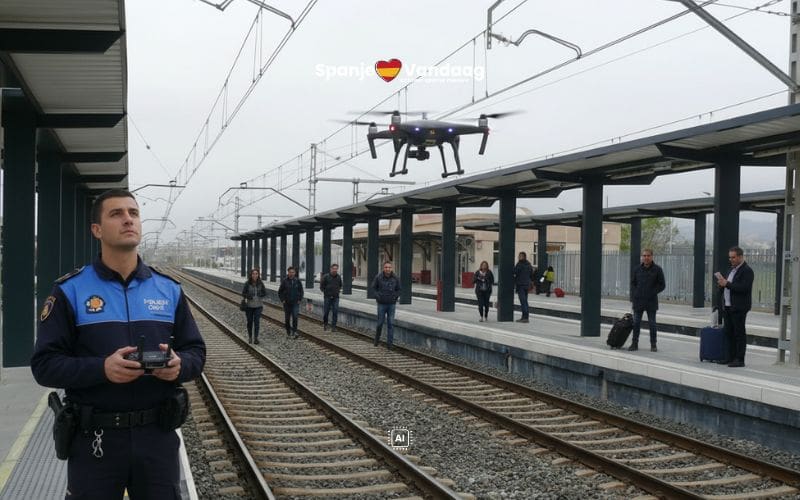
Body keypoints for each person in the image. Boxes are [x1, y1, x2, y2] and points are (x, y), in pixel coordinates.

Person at [30, 189, 206, 499]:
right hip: (94, 441)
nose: (128, 219)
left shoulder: (169, 290)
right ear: (96, 230)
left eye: (133, 213)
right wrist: (102, 368)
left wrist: (180, 366)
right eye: (116, 214)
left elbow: (196, 352)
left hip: (158, 437)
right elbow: (44, 366)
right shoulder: (69, 291)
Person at [715, 246, 754, 367]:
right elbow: (728, 286)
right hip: (728, 306)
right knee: (729, 332)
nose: (731, 259)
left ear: (740, 257)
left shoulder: (747, 271)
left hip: (739, 307)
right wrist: (721, 284)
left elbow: (744, 288)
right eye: (730, 257)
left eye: (733, 257)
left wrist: (727, 283)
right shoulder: (731, 270)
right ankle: (729, 357)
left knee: (739, 333)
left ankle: (739, 359)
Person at [629, 248, 666, 352]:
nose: (646, 258)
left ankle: (653, 344)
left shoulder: (658, 270)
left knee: (652, 323)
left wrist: (653, 292)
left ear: (652, 256)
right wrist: (636, 293)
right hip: (638, 301)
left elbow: (662, 285)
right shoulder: (637, 269)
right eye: (644, 256)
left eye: (648, 256)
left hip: (651, 301)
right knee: (636, 323)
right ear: (642, 257)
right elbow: (633, 283)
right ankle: (634, 343)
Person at [372, 261, 401, 349]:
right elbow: (373, 287)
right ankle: (377, 339)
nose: (387, 269)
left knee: (391, 324)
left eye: (389, 267)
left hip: (391, 304)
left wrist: (395, 297)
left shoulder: (396, 278)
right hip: (381, 304)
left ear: (391, 268)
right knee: (380, 323)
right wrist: (378, 297)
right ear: (383, 268)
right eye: (386, 267)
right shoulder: (378, 277)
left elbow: (399, 289)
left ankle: (390, 344)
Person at [242, 268, 267, 344]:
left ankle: (256, 338)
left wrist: (261, 294)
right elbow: (243, 293)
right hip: (249, 306)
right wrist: (248, 296)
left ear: (258, 275)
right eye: (253, 274)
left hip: (258, 306)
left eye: (256, 274)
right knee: (249, 322)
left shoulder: (261, 283)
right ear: (251, 275)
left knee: (257, 322)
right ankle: (250, 337)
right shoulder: (247, 283)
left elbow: (265, 292)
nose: (255, 275)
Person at [278, 266, 304, 338]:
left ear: (295, 273)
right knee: (287, 319)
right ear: (288, 273)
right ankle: (288, 332)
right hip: (287, 303)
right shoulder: (284, 281)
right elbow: (280, 292)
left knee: (295, 317)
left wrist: (299, 299)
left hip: (295, 303)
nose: (291, 274)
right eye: (290, 272)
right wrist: (282, 300)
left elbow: (301, 291)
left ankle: (294, 331)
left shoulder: (297, 281)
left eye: (293, 272)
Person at [512, 252, 534, 323]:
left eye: (520, 256)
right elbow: (531, 273)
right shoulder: (529, 264)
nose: (519, 257)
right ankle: (525, 317)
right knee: (525, 301)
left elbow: (515, 272)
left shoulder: (519, 264)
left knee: (523, 302)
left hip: (521, 285)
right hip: (527, 285)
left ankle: (525, 318)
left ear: (523, 257)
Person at [320, 263, 343, 332]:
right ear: (331, 269)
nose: (335, 270)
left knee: (335, 311)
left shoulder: (338, 277)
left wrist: (338, 291)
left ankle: (333, 326)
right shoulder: (326, 277)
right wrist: (325, 292)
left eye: (336, 269)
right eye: (334, 269)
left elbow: (340, 285)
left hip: (336, 297)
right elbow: (321, 286)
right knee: (326, 311)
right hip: (327, 297)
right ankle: (325, 324)